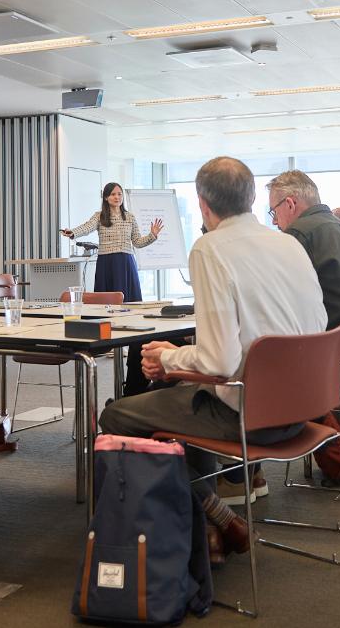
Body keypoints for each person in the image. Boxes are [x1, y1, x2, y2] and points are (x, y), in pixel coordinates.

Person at [98, 157, 326, 562]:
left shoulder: (210, 248)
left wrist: (169, 358)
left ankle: (213, 513)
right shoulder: (289, 243)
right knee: (185, 397)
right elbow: (317, 323)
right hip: (305, 407)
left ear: (203, 205)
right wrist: (179, 361)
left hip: (251, 415)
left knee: (117, 415)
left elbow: (219, 361)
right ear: (252, 198)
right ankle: (206, 528)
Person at [61, 182, 164, 395]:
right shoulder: (99, 216)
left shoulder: (130, 217)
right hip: (107, 263)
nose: (117, 197)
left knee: (130, 305)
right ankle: (110, 343)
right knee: (108, 307)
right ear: (106, 197)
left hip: (126, 263)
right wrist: (72, 233)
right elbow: (86, 228)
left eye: (119, 194)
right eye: (113, 194)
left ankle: (129, 343)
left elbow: (138, 242)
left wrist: (153, 235)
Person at [266, 170, 340, 332]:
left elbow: (278, 299)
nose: (274, 221)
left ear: (290, 204)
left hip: (330, 339)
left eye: (274, 211)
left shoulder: (299, 233)